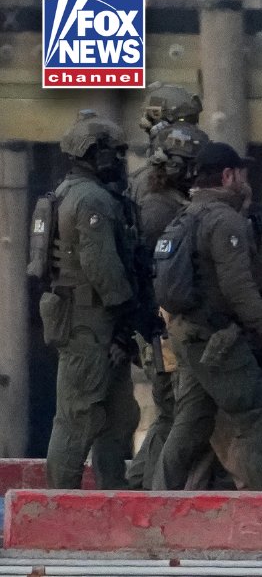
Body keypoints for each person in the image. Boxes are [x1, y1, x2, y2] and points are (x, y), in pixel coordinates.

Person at [151, 142, 262, 491]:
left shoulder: (186, 215)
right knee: (253, 419)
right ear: (228, 176)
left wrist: (261, 280)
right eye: (240, 173)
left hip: (187, 335)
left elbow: (205, 274)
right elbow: (236, 289)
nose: (245, 180)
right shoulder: (225, 221)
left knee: (190, 423)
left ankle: (156, 499)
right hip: (216, 340)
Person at [39, 111, 141, 490]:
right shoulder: (91, 199)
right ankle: (56, 503)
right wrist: (129, 309)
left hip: (93, 321)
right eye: (113, 153)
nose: (117, 161)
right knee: (76, 418)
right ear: (95, 154)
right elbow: (101, 267)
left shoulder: (68, 192)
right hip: (90, 323)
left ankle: (112, 494)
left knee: (118, 416)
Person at [125, 121, 210, 490]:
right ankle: (145, 487)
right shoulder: (159, 209)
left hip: (161, 322)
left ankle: (141, 483)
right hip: (162, 326)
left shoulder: (167, 201)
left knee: (171, 413)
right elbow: (158, 274)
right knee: (172, 410)